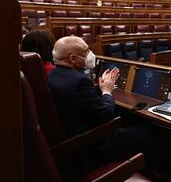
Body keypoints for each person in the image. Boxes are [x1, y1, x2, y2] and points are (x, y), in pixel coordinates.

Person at [48, 36, 151, 170]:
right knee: (147, 133)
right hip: (91, 144)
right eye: (86, 51)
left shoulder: (52, 75)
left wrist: (98, 89)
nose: (90, 53)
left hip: (72, 138)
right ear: (73, 58)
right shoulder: (79, 81)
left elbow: (77, 99)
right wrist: (107, 91)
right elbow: (105, 114)